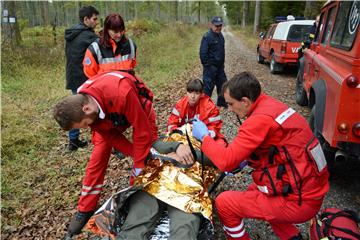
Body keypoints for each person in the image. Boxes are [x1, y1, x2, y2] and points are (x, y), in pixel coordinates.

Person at [53, 71, 193, 237]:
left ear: (87, 108)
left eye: (83, 125)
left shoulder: (122, 93)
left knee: (150, 146)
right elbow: (111, 136)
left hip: (138, 108)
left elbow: (141, 132)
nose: (85, 129)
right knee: (98, 158)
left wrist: (140, 165)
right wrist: (137, 156)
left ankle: (144, 190)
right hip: (107, 115)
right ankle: (85, 209)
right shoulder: (84, 102)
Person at [192, 71, 330, 240]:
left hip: (300, 201)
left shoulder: (259, 120)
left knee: (224, 203)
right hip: (311, 190)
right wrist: (246, 160)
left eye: (231, 104)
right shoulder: (270, 105)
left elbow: (226, 161)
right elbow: (278, 148)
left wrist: (205, 137)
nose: (229, 109)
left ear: (245, 101)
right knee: (254, 190)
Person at [64, 5, 99, 151]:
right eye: (94, 19)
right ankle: (102, 139)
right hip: (84, 78)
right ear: (86, 19)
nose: (96, 22)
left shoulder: (73, 32)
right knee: (97, 108)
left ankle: (73, 142)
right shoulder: (88, 36)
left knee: (75, 109)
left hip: (73, 77)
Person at [167, 78, 226, 144]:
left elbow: (215, 127)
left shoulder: (210, 107)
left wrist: (203, 135)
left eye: (196, 93)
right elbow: (171, 124)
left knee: (221, 144)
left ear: (201, 94)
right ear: (186, 92)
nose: (192, 96)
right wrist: (180, 133)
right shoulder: (180, 105)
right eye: (190, 92)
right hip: (183, 137)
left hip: (204, 138)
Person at [83, 13, 137, 78]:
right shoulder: (95, 49)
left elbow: (132, 66)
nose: (119, 35)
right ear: (107, 30)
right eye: (115, 32)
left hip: (126, 87)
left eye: (121, 31)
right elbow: (90, 74)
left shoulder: (131, 45)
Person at [199, 16, 227, 108]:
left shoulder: (221, 36)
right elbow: (203, 53)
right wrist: (208, 66)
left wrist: (221, 65)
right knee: (207, 88)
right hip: (210, 69)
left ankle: (221, 103)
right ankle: (205, 106)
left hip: (220, 68)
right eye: (216, 25)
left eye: (220, 25)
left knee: (223, 85)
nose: (218, 27)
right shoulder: (207, 37)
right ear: (211, 25)